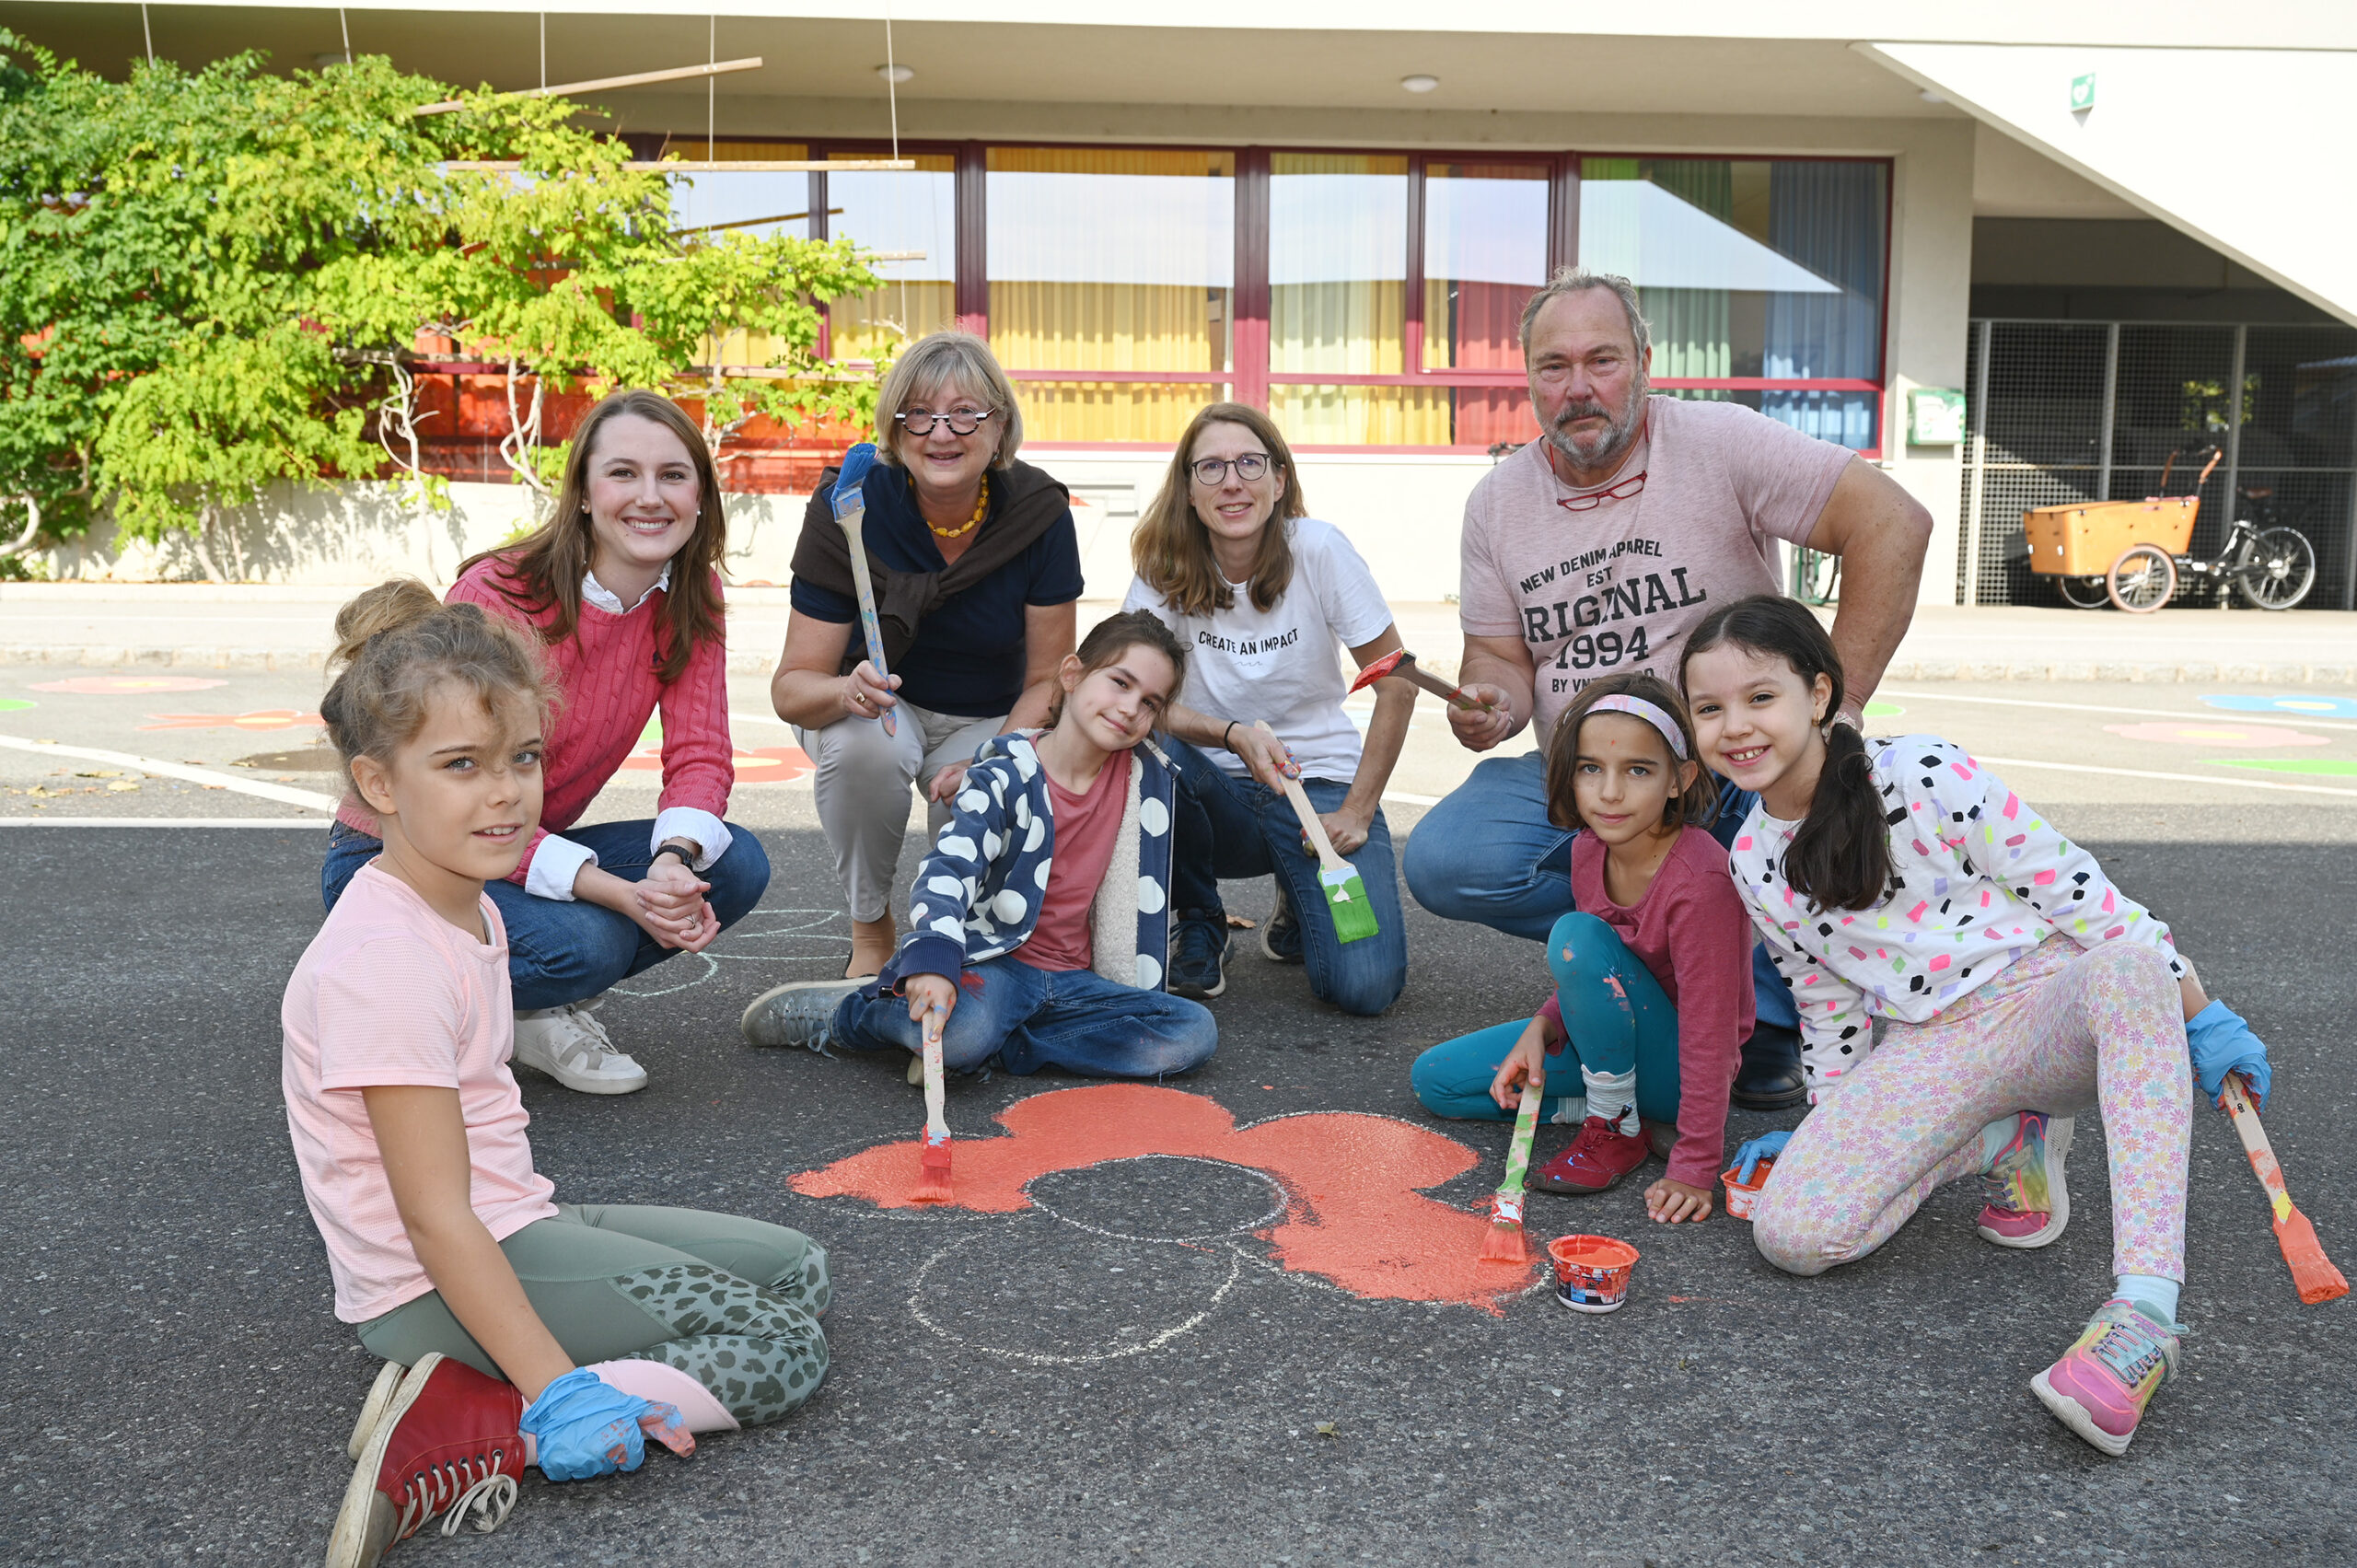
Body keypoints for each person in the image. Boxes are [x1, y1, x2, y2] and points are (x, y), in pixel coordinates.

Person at [288, 585, 829, 1567]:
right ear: (377, 782)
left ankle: (469, 1374)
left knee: (798, 1269)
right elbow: (433, 1218)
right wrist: (554, 1386)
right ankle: (475, 1423)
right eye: (460, 765)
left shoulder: (470, 904)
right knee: (783, 1351)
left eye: (522, 759)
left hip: (511, 1218)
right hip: (433, 1275)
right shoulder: (384, 959)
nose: (504, 792)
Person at [1682, 594, 2274, 1457]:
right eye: (1710, 708)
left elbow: (2085, 896)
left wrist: (2203, 1011)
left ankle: (2145, 1312)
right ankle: (2007, 1140)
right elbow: (1825, 1003)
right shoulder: (1752, 858)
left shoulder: (1921, 772)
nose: (1736, 726)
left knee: (2132, 965)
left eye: (1759, 697)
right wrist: (1834, 1123)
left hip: (2048, 1004)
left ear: (1818, 693)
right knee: (1794, 1235)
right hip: (1930, 1045)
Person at [1398, 267, 1934, 1111]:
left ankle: (1758, 1013)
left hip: (1723, 772)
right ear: (1529, 379)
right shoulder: (1498, 503)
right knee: (1444, 860)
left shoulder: (1718, 443)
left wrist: (1837, 710)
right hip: (1595, 779)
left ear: (1645, 361)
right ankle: (1664, 966)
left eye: (1602, 360)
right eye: (1553, 367)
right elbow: (1497, 655)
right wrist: (1490, 700)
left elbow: (1893, 521)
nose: (1579, 387)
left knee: (1818, 817)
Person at [320, 389, 770, 1097]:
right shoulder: (501, 590)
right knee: (592, 942)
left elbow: (701, 755)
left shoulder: (692, 593)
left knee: (733, 862)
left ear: (702, 497)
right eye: (622, 473)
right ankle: (475, 997)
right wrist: (617, 892)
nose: (649, 497)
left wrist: (670, 863)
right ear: (584, 494)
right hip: (399, 856)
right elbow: (465, 792)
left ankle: (524, 1000)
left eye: (673, 475)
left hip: (508, 847)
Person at [740, 611, 1217, 1082]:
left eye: (1149, 702)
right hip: (995, 966)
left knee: (1192, 1031)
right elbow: (949, 871)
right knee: (964, 1033)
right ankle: (852, 1013)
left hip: (1075, 980)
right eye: (1120, 682)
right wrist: (934, 962)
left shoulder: (1143, 780)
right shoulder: (1003, 775)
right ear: (1072, 675)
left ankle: (988, 1045)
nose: (1131, 707)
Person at [771, 331, 1084, 981]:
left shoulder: (1039, 514)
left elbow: (1050, 680)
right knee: (866, 744)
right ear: (894, 427)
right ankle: (872, 927)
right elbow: (793, 688)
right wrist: (844, 691)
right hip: (877, 703)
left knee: (978, 793)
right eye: (920, 412)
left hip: (991, 711)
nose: (942, 432)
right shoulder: (847, 508)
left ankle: (948, 938)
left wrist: (995, 757)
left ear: (1000, 428)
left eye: (967, 412)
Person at [1409, 673, 1751, 1218]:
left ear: (1679, 780)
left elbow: (1711, 1035)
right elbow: (1595, 974)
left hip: (1680, 1072)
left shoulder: (1701, 879)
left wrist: (1694, 1166)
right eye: (1591, 769)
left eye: (1638, 770)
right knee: (1437, 1082)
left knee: (1573, 935)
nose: (1609, 792)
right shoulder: (1589, 849)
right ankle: (1617, 1115)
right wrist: (1541, 1029)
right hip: (1614, 1053)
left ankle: (1615, 1123)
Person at [1121, 402, 1413, 1014]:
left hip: (1316, 785)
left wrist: (1357, 810)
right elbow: (1128, 689)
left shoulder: (1320, 549)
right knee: (1145, 744)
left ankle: (1295, 905)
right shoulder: (1163, 564)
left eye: (1250, 463)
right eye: (1211, 468)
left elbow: (1398, 682)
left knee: (1364, 986)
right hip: (1207, 789)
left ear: (1279, 481)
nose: (1233, 481)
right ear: (1188, 489)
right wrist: (1229, 735)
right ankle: (1200, 918)